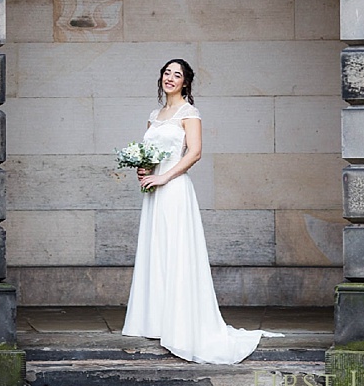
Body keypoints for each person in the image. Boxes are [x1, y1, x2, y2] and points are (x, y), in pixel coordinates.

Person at [121, 58, 283, 364]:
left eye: (177, 74)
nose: (170, 78)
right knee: (157, 252)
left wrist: (164, 177)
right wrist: (142, 170)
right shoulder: (154, 115)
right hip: (154, 192)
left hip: (175, 190)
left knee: (178, 253)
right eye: (167, 73)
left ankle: (180, 324)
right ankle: (155, 320)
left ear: (186, 82)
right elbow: (150, 155)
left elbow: (194, 152)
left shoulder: (189, 113)